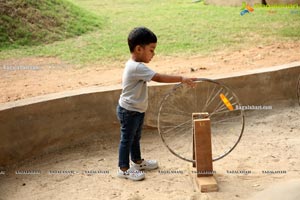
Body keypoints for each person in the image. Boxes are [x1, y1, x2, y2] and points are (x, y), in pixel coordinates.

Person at [117, 26, 196, 181]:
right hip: (129, 111)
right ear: (139, 49)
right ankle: (124, 169)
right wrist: (182, 78)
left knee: (135, 138)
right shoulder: (136, 67)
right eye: (151, 50)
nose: (154, 54)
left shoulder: (136, 65)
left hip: (135, 109)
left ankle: (138, 162)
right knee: (127, 139)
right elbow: (158, 77)